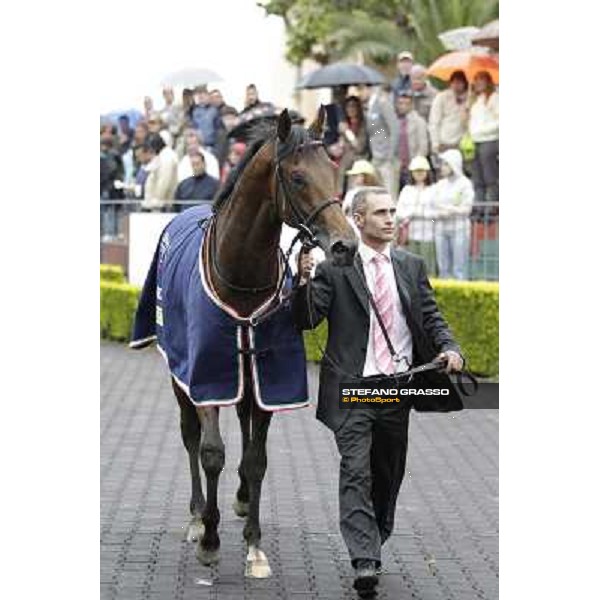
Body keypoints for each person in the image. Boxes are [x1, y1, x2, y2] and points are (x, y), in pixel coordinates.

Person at [291, 186, 464, 596]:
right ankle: (364, 559)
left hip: (398, 389)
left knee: (387, 473)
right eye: (381, 212)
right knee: (356, 469)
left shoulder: (410, 264)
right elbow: (307, 319)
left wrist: (449, 347)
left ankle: (375, 531)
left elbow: (430, 315)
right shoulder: (336, 267)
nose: (390, 219)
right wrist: (302, 281)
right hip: (353, 388)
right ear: (358, 218)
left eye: (393, 212)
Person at [432, 149, 474, 279]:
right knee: (443, 266)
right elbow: (433, 204)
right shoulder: (440, 184)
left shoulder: (465, 183)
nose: (442, 167)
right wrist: (442, 212)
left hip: (459, 229)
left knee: (459, 267)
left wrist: (449, 210)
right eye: (442, 164)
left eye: (445, 164)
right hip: (441, 228)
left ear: (454, 164)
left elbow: (467, 208)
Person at [395, 156, 437, 275]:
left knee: (428, 267)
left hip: (429, 235)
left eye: (422, 171)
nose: (419, 174)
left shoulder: (434, 189)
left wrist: (421, 214)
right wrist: (410, 214)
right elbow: (399, 211)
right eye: (416, 171)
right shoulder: (407, 190)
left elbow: (436, 212)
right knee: (411, 268)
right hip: (410, 235)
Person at [361, 84, 400, 198]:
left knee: (390, 195)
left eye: (361, 89)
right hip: (376, 156)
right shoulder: (369, 106)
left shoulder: (383, 103)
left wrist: (390, 154)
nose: (360, 93)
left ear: (369, 89)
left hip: (387, 158)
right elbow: (374, 132)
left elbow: (394, 128)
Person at [468, 71, 499, 204]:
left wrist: (481, 131)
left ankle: (493, 205)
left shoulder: (495, 98)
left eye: (482, 79)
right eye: (476, 79)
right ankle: (479, 207)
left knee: (490, 176)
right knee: (477, 177)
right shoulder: (476, 100)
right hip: (475, 141)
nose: (479, 82)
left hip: (489, 140)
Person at [428, 70, 469, 157]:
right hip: (444, 144)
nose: (456, 85)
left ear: (465, 83)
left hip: (463, 144)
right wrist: (436, 143)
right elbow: (434, 122)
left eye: (459, 82)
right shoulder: (441, 97)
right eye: (454, 82)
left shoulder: (470, 98)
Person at [395, 90, 429, 191]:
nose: (403, 106)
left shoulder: (419, 121)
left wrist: (417, 163)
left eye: (406, 103)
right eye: (400, 103)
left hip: (413, 164)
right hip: (397, 166)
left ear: (411, 105)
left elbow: (423, 145)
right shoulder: (394, 121)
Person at [338, 95, 370, 190]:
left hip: (358, 164)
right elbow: (342, 145)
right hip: (344, 165)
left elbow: (360, 147)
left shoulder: (364, 124)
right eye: (348, 106)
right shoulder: (345, 123)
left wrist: (347, 132)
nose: (350, 109)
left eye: (353, 106)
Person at [141, 133, 179, 211]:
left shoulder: (167, 157)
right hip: (157, 203)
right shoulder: (162, 155)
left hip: (162, 204)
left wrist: (158, 199)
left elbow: (165, 180)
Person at [190, 85, 221, 152]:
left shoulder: (214, 110)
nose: (201, 96)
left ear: (208, 96)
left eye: (203, 94)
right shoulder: (194, 111)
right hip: (198, 145)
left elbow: (218, 128)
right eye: (199, 95)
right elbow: (193, 127)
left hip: (211, 145)